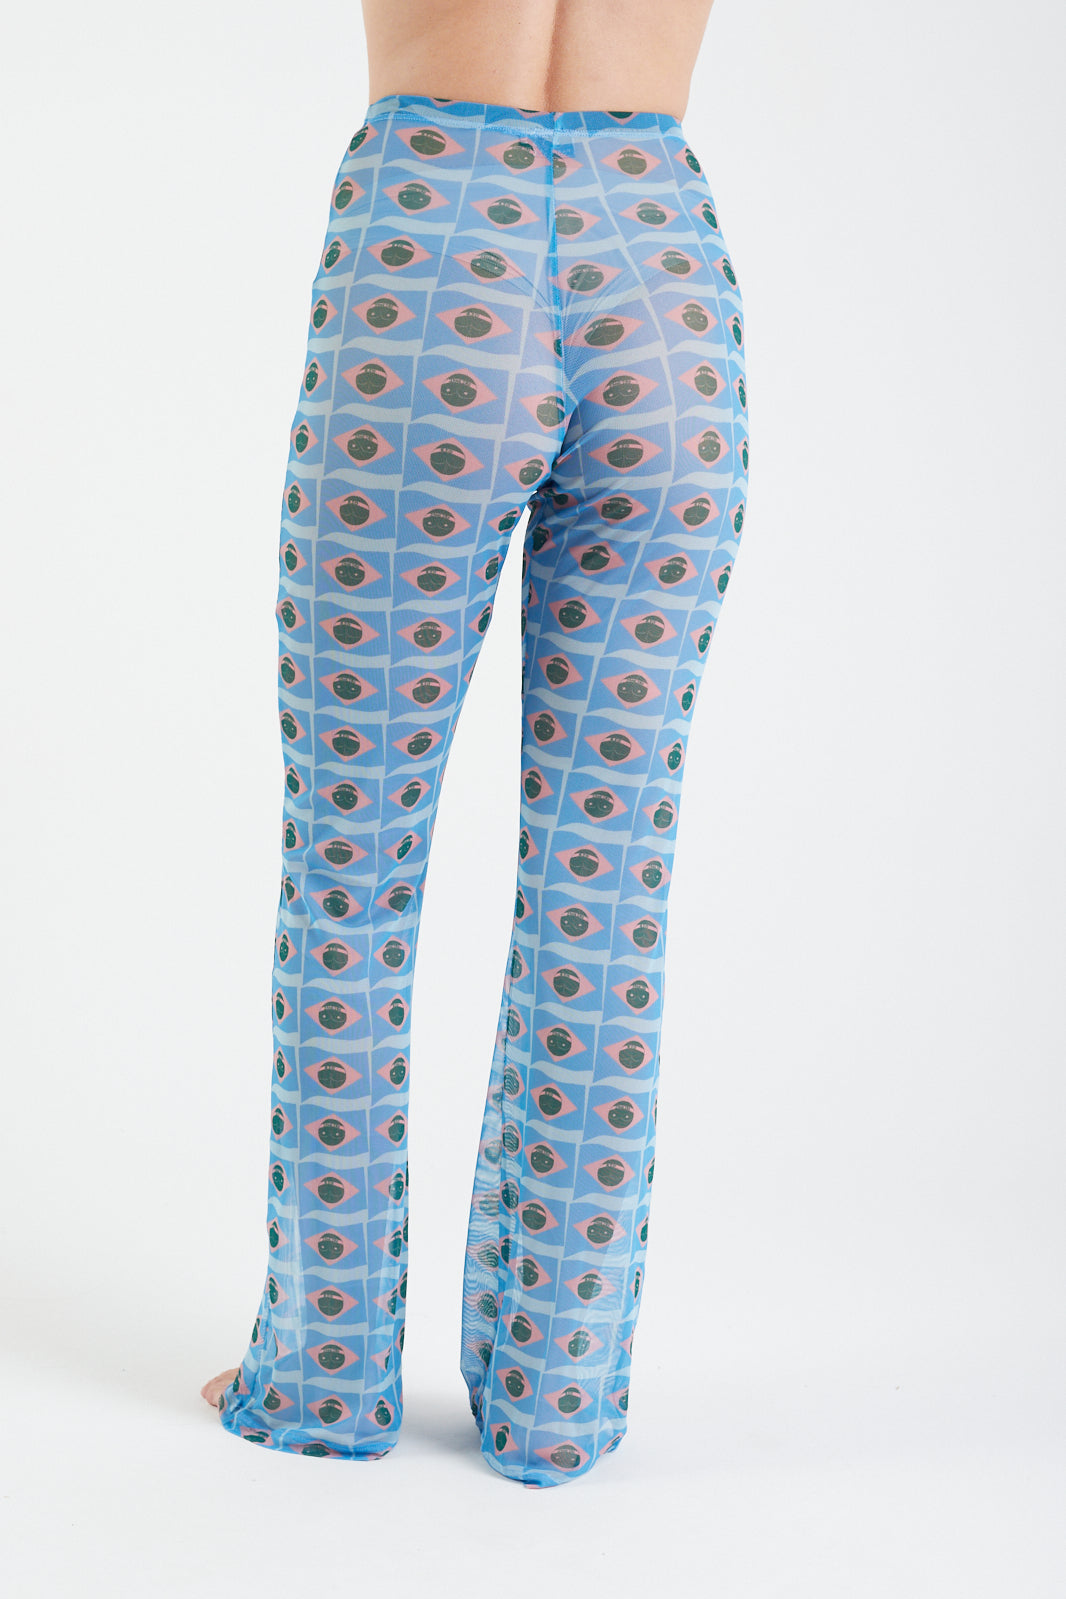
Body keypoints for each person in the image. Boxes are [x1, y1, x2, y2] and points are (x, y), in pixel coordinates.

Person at [201, 0, 748, 1488]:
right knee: (604, 886)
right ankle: (554, 1395)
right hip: (661, 267)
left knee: (352, 874)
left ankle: (323, 1371)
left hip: (435, 253)